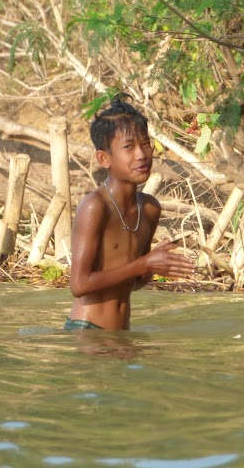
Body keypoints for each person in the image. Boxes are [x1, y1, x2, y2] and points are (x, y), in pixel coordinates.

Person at [65, 94, 194, 331]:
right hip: (88, 332)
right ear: (104, 158)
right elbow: (79, 285)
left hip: (122, 334)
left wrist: (155, 266)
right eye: (128, 146)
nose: (141, 154)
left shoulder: (150, 208)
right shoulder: (95, 206)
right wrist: (144, 264)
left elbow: (134, 282)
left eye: (145, 143)